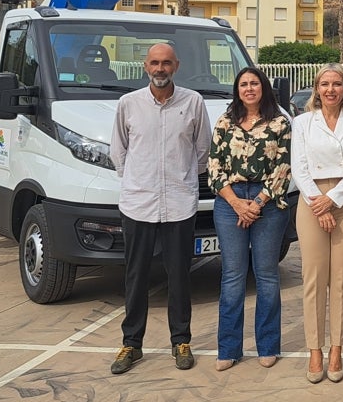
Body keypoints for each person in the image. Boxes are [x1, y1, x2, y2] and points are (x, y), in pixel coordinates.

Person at [108, 42, 212, 374]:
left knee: (179, 275)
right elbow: (119, 151)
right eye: (154, 63)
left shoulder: (193, 102)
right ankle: (131, 344)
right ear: (145, 67)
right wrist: (137, 179)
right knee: (135, 275)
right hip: (138, 203)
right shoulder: (129, 104)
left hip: (179, 204)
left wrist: (180, 178)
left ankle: (181, 340)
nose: (160, 69)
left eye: (166, 63)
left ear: (176, 66)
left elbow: (202, 151)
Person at [207, 67, 293, 372]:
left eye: (254, 83)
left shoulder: (280, 123)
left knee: (266, 274)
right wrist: (236, 203)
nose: (249, 88)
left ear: (263, 87)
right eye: (243, 84)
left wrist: (256, 204)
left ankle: (268, 345)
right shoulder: (225, 122)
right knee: (232, 275)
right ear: (237, 90)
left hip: (267, 202)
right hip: (229, 201)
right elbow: (214, 166)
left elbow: (284, 168)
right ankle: (228, 348)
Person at [291, 64, 343, 384]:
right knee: (313, 278)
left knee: (341, 279)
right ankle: (315, 350)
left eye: (337, 84)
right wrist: (318, 202)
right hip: (311, 200)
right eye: (325, 84)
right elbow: (299, 165)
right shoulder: (302, 123)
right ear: (316, 88)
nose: (331, 89)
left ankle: (337, 348)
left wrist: (333, 199)